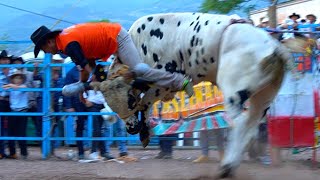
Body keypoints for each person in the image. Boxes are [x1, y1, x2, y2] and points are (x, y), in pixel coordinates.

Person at [30, 23, 194, 98]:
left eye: (44, 49)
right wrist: (83, 86)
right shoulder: (65, 41)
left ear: (49, 42)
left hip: (117, 38)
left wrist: (90, 79)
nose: (47, 52)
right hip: (108, 45)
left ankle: (181, 81)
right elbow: (86, 64)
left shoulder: (67, 43)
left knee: (140, 69)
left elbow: (85, 65)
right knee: (122, 79)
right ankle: (159, 92)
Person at [83, 64, 113, 160]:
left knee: (99, 129)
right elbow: (82, 92)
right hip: (93, 106)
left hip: (101, 107)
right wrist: (86, 101)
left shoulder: (102, 83)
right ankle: (96, 151)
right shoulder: (88, 83)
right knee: (97, 129)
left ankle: (101, 151)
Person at [2, 69, 29, 159]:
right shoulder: (10, 88)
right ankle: (12, 153)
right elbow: (3, 91)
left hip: (22, 111)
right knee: (11, 133)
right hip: (13, 111)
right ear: (13, 79)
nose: (18, 80)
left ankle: (24, 153)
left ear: (22, 79)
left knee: (21, 133)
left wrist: (10, 85)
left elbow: (23, 88)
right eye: (16, 78)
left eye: (19, 78)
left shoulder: (23, 86)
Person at [63, 65, 87, 159]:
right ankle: (81, 151)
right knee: (80, 126)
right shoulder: (71, 73)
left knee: (93, 125)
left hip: (89, 101)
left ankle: (93, 150)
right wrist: (69, 106)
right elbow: (67, 91)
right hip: (78, 103)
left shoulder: (85, 70)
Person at [0, 50, 12, 159]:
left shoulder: (13, 71)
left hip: (11, 101)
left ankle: (11, 151)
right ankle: (1, 151)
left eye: (7, 59)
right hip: (2, 100)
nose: (6, 61)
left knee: (10, 126)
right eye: (3, 59)